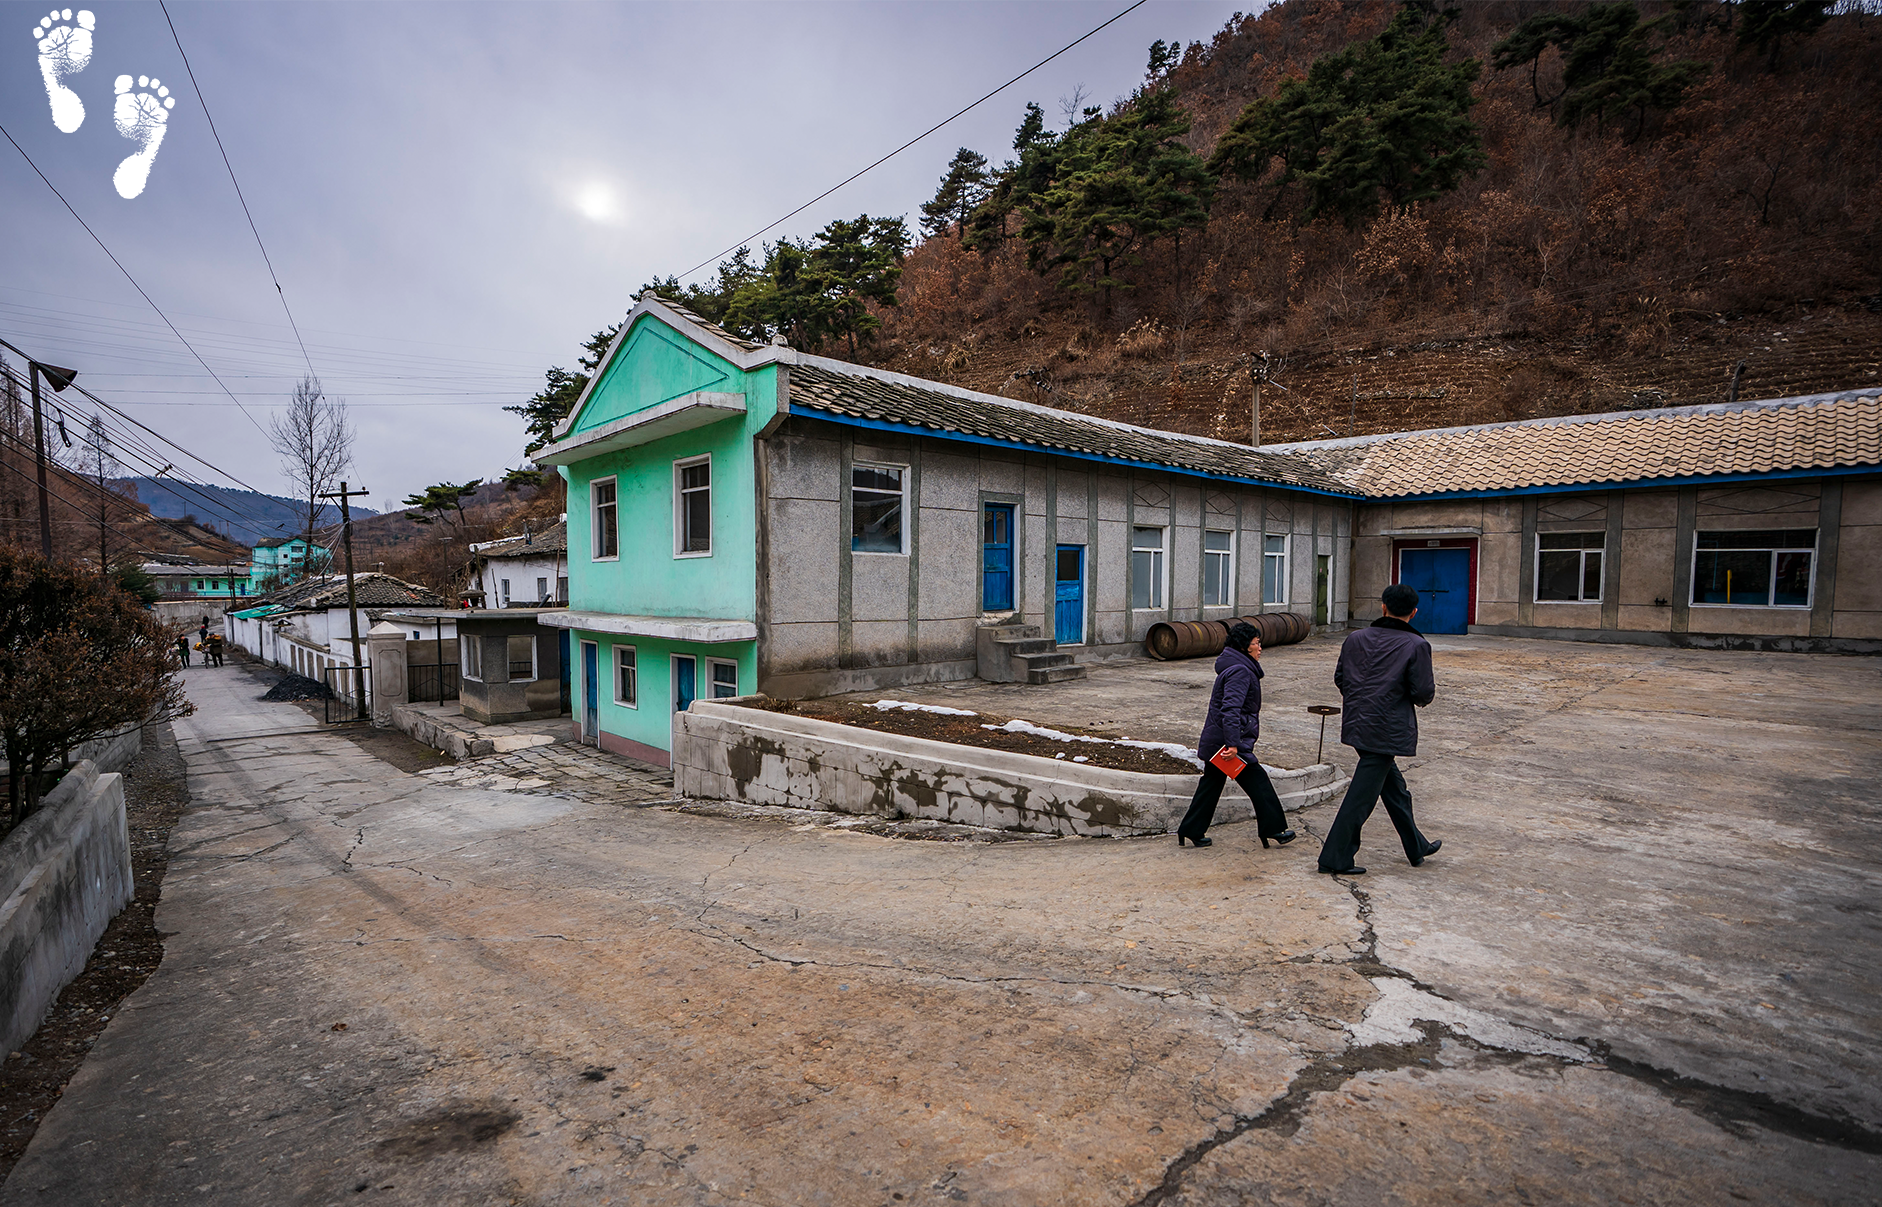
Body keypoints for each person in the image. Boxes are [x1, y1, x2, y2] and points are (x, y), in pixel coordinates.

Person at [1316, 583, 1442, 875]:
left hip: (1359, 721)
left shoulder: (1356, 638)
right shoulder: (1417, 646)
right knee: (1361, 797)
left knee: (1395, 789)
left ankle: (1416, 845)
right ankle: (1335, 857)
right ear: (1414, 613)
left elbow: (1340, 679)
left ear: (1382, 606)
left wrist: (1363, 699)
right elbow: (1423, 692)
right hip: (1388, 729)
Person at [1176, 621, 1296, 850]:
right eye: (1256, 644)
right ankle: (1273, 829)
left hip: (1219, 742)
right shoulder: (1240, 671)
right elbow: (1230, 709)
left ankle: (1190, 829)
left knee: (1211, 784)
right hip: (1227, 745)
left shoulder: (1236, 667)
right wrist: (1233, 744)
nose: (1260, 648)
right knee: (1258, 781)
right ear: (1244, 647)